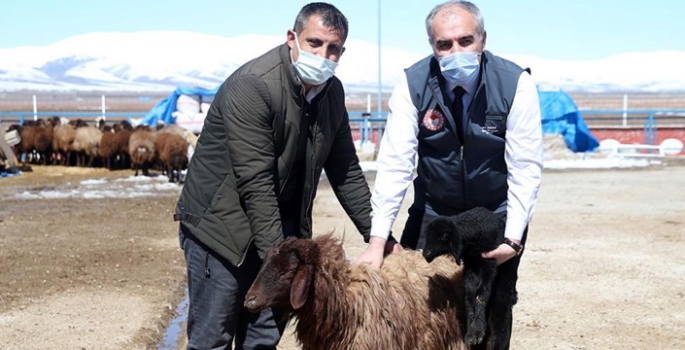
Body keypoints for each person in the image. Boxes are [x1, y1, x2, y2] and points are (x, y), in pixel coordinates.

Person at [175, 3, 399, 349]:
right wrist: (280, 262)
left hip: (279, 233)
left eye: (333, 49)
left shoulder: (332, 94)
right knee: (212, 338)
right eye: (314, 43)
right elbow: (256, 181)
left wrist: (380, 237)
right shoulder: (254, 86)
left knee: (263, 339)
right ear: (292, 38)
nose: (323, 55)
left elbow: (347, 173)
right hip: (221, 233)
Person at [353, 1, 543, 349]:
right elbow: (395, 163)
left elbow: (525, 168)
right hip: (434, 213)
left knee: (489, 310)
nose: (456, 51)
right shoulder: (412, 83)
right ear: (433, 46)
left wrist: (512, 240)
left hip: (493, 217)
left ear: (483, 39)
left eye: (465, 40)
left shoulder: (516, 83)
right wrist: (378, 241)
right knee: (415, 307)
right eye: (444, 44)